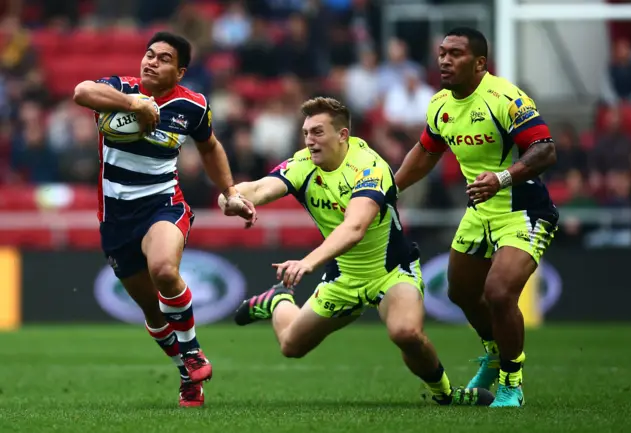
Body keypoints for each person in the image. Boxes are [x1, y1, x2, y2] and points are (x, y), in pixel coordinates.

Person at [218, 96, 493, 406]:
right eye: (306, 133)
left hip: (390, 273)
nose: (310, 141)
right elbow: (256, 188)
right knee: (290, 346)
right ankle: (278, 300)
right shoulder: (303, 164)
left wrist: (308, 262)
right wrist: (230, 199)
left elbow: (355, 228)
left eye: (318, 132)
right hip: (344, 278)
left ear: (343, 135)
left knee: (406, 333)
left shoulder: (370, 167)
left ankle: (446, 394)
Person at [73, 31, 257, 407]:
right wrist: (134, 104)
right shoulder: (117, 88)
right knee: (153, 313)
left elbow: (210, 147)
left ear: (181, 71)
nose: (151, 62)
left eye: (163, 58)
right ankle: (187, 375)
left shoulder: (193, 106)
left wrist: (231, 193)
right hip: (116, 218)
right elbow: (80, 91)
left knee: (165, 270)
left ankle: (193, 352)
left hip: (163, 205)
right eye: (149, 54)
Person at [394, 27, 558, 408]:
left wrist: (502, 177)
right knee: (461, 293)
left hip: (523, 210)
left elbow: (545, 150)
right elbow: (426, 152)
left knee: (499, 292)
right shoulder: (439, 104)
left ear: (480, 63)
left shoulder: (505, 98)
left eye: (455, 54)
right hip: (479, 211)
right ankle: (494, 352)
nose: (444, 60)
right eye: (442, 53)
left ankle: (511, 382)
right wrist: (388, 190)